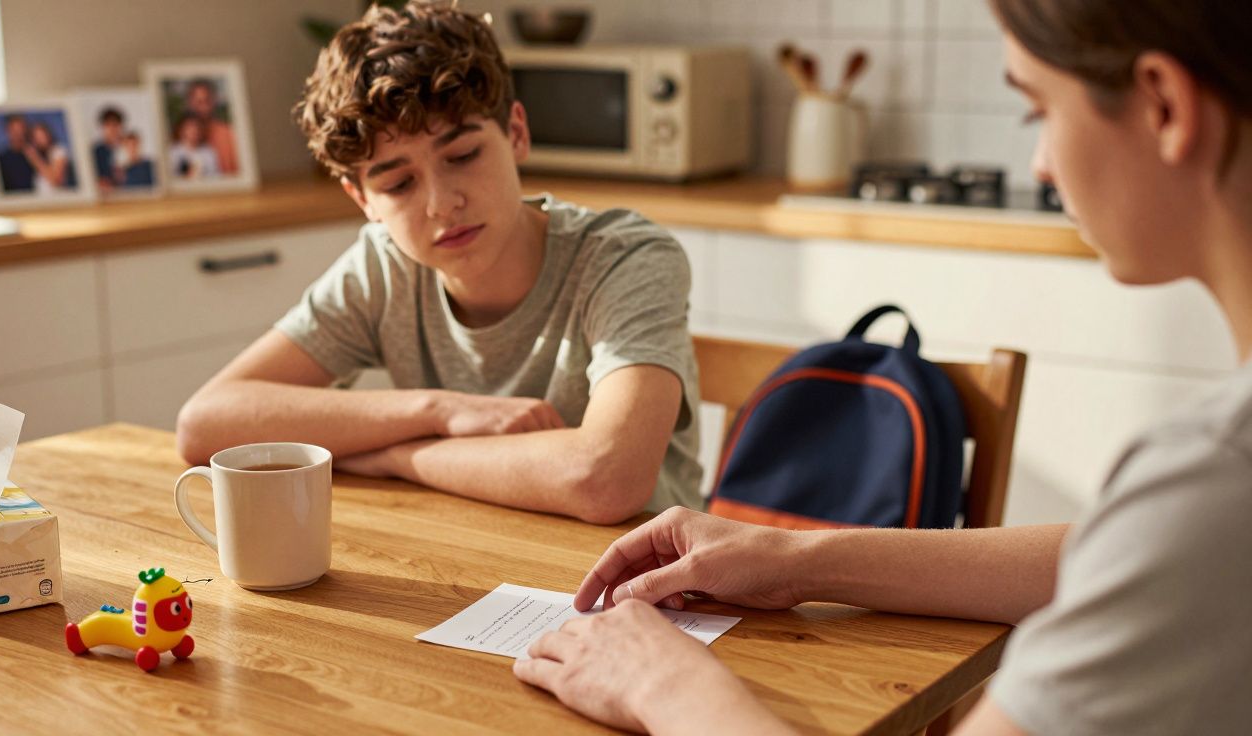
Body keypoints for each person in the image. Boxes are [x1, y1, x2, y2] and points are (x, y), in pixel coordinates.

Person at [514, 0, 1252, 733]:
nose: (1041, 165)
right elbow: (1121, 556)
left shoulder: (1213, 475)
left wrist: (666, 685)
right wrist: (795, 559)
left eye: (1039, 112)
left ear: (1163, 106)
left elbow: (1170, 538)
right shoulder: (1200, 503)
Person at [175, 2, 703, 524]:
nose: (441, 204)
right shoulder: (383, 270)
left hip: (650, 589)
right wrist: (440, 411)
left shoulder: (626, 258)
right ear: (362, 201)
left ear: (516, 133)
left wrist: (396, 457)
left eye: (463, 156)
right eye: (398, 183)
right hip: (470, 559)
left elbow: (605, 479)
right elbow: (204, 424)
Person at [184, 78, 238, 175]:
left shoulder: (229, 134)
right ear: (190, 104)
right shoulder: (177, 139)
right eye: (198, 102)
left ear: (214, 101)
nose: (203, 107)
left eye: (207, 101)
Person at [25, 121, 77, 194]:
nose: (39, 139)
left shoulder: (58, 151)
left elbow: (56, 180)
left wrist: (35, 159)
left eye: (41, 136)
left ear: (48, 135)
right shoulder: (41, 156)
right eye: (36, 137)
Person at [168, 113, 219, 179]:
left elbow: (215, 175)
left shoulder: (208, 152)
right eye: (189, 127)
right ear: (181, 129)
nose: (194, 131)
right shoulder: (173, 152)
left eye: (197, 128)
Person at [0, 114, 34, 193]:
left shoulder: (35, 154)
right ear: (7, 131)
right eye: (15, 131)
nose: (19, 135)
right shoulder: (0, 159)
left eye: (21, 130)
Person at [93, 107, 125, 191]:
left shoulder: (129, 147)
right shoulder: (96, 152)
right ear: (102, 127)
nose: (112, 129)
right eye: (108, 125)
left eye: (115, 125)